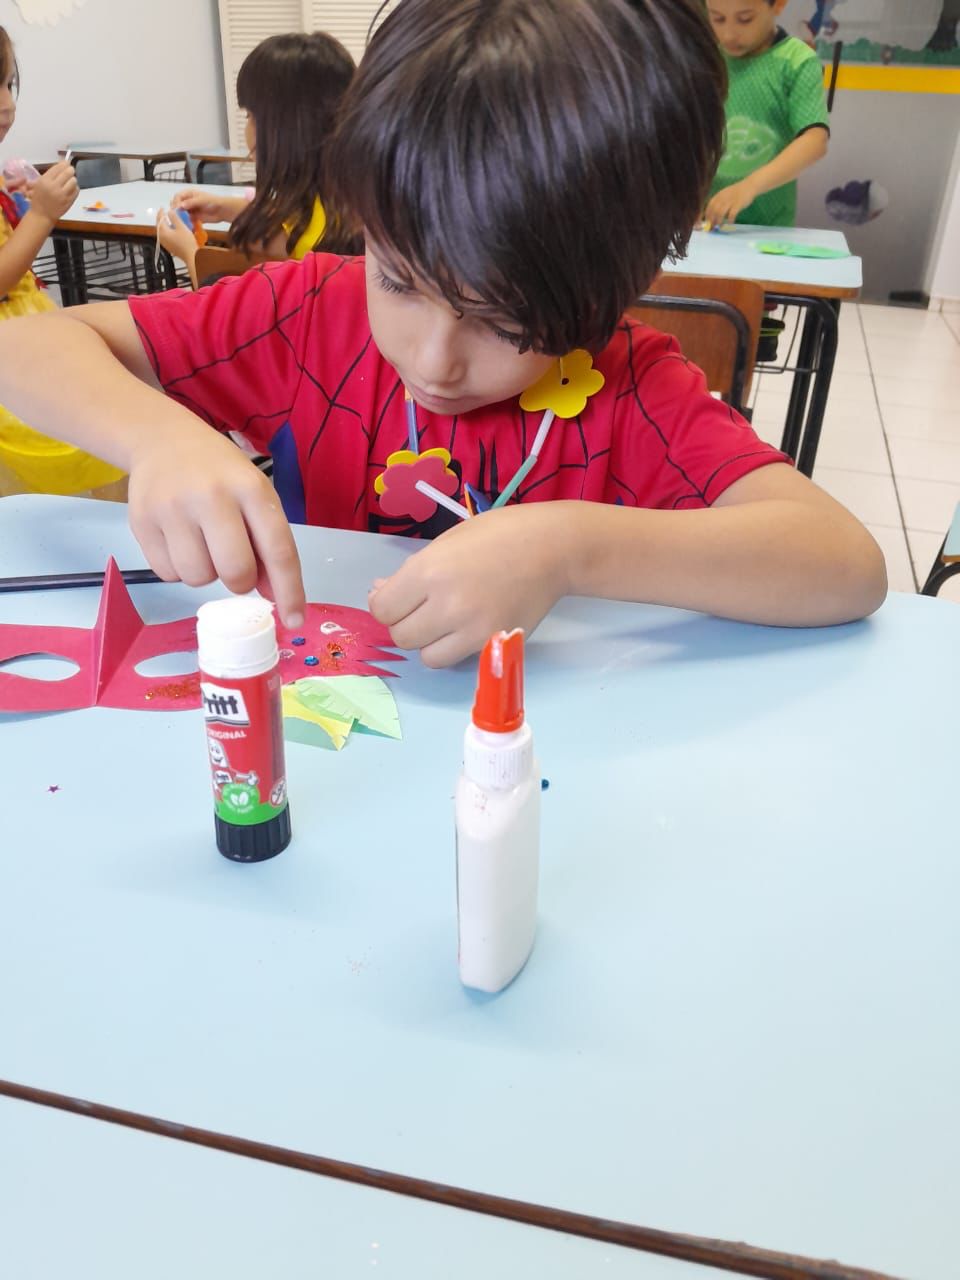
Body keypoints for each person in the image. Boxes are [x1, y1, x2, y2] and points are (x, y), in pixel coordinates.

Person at [0, 0, 885, 667]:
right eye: (398, 281)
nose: (433, 360)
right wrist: (159, 437)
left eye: (505, 321)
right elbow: (24, 349)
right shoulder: (306, 313)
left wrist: (568, 548)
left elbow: (845, 564)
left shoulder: (630, 388)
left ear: (613, 286)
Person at [0, 25, 123, 496]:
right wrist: (42, 215)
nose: (7, 105)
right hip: (12, 351)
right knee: (87, 430)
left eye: (9, 84)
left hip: (28, 330)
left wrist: (15, 202)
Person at [157, 31, 360, 287]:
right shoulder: (345, 202)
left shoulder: (313, 237)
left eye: (251, 116)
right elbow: (286, 220)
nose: (247, 129)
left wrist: (190, 252)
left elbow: (227, 308)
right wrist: (222, 208)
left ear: (285, 129)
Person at [704, 0, 830, 228]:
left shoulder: (797, 60)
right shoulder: (708, 60)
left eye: (745, 19)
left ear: (778, 5)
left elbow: (815, 140)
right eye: (717, 18)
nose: (728, 34)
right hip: (707, 223)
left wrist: (749, 187)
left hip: (769, 228)